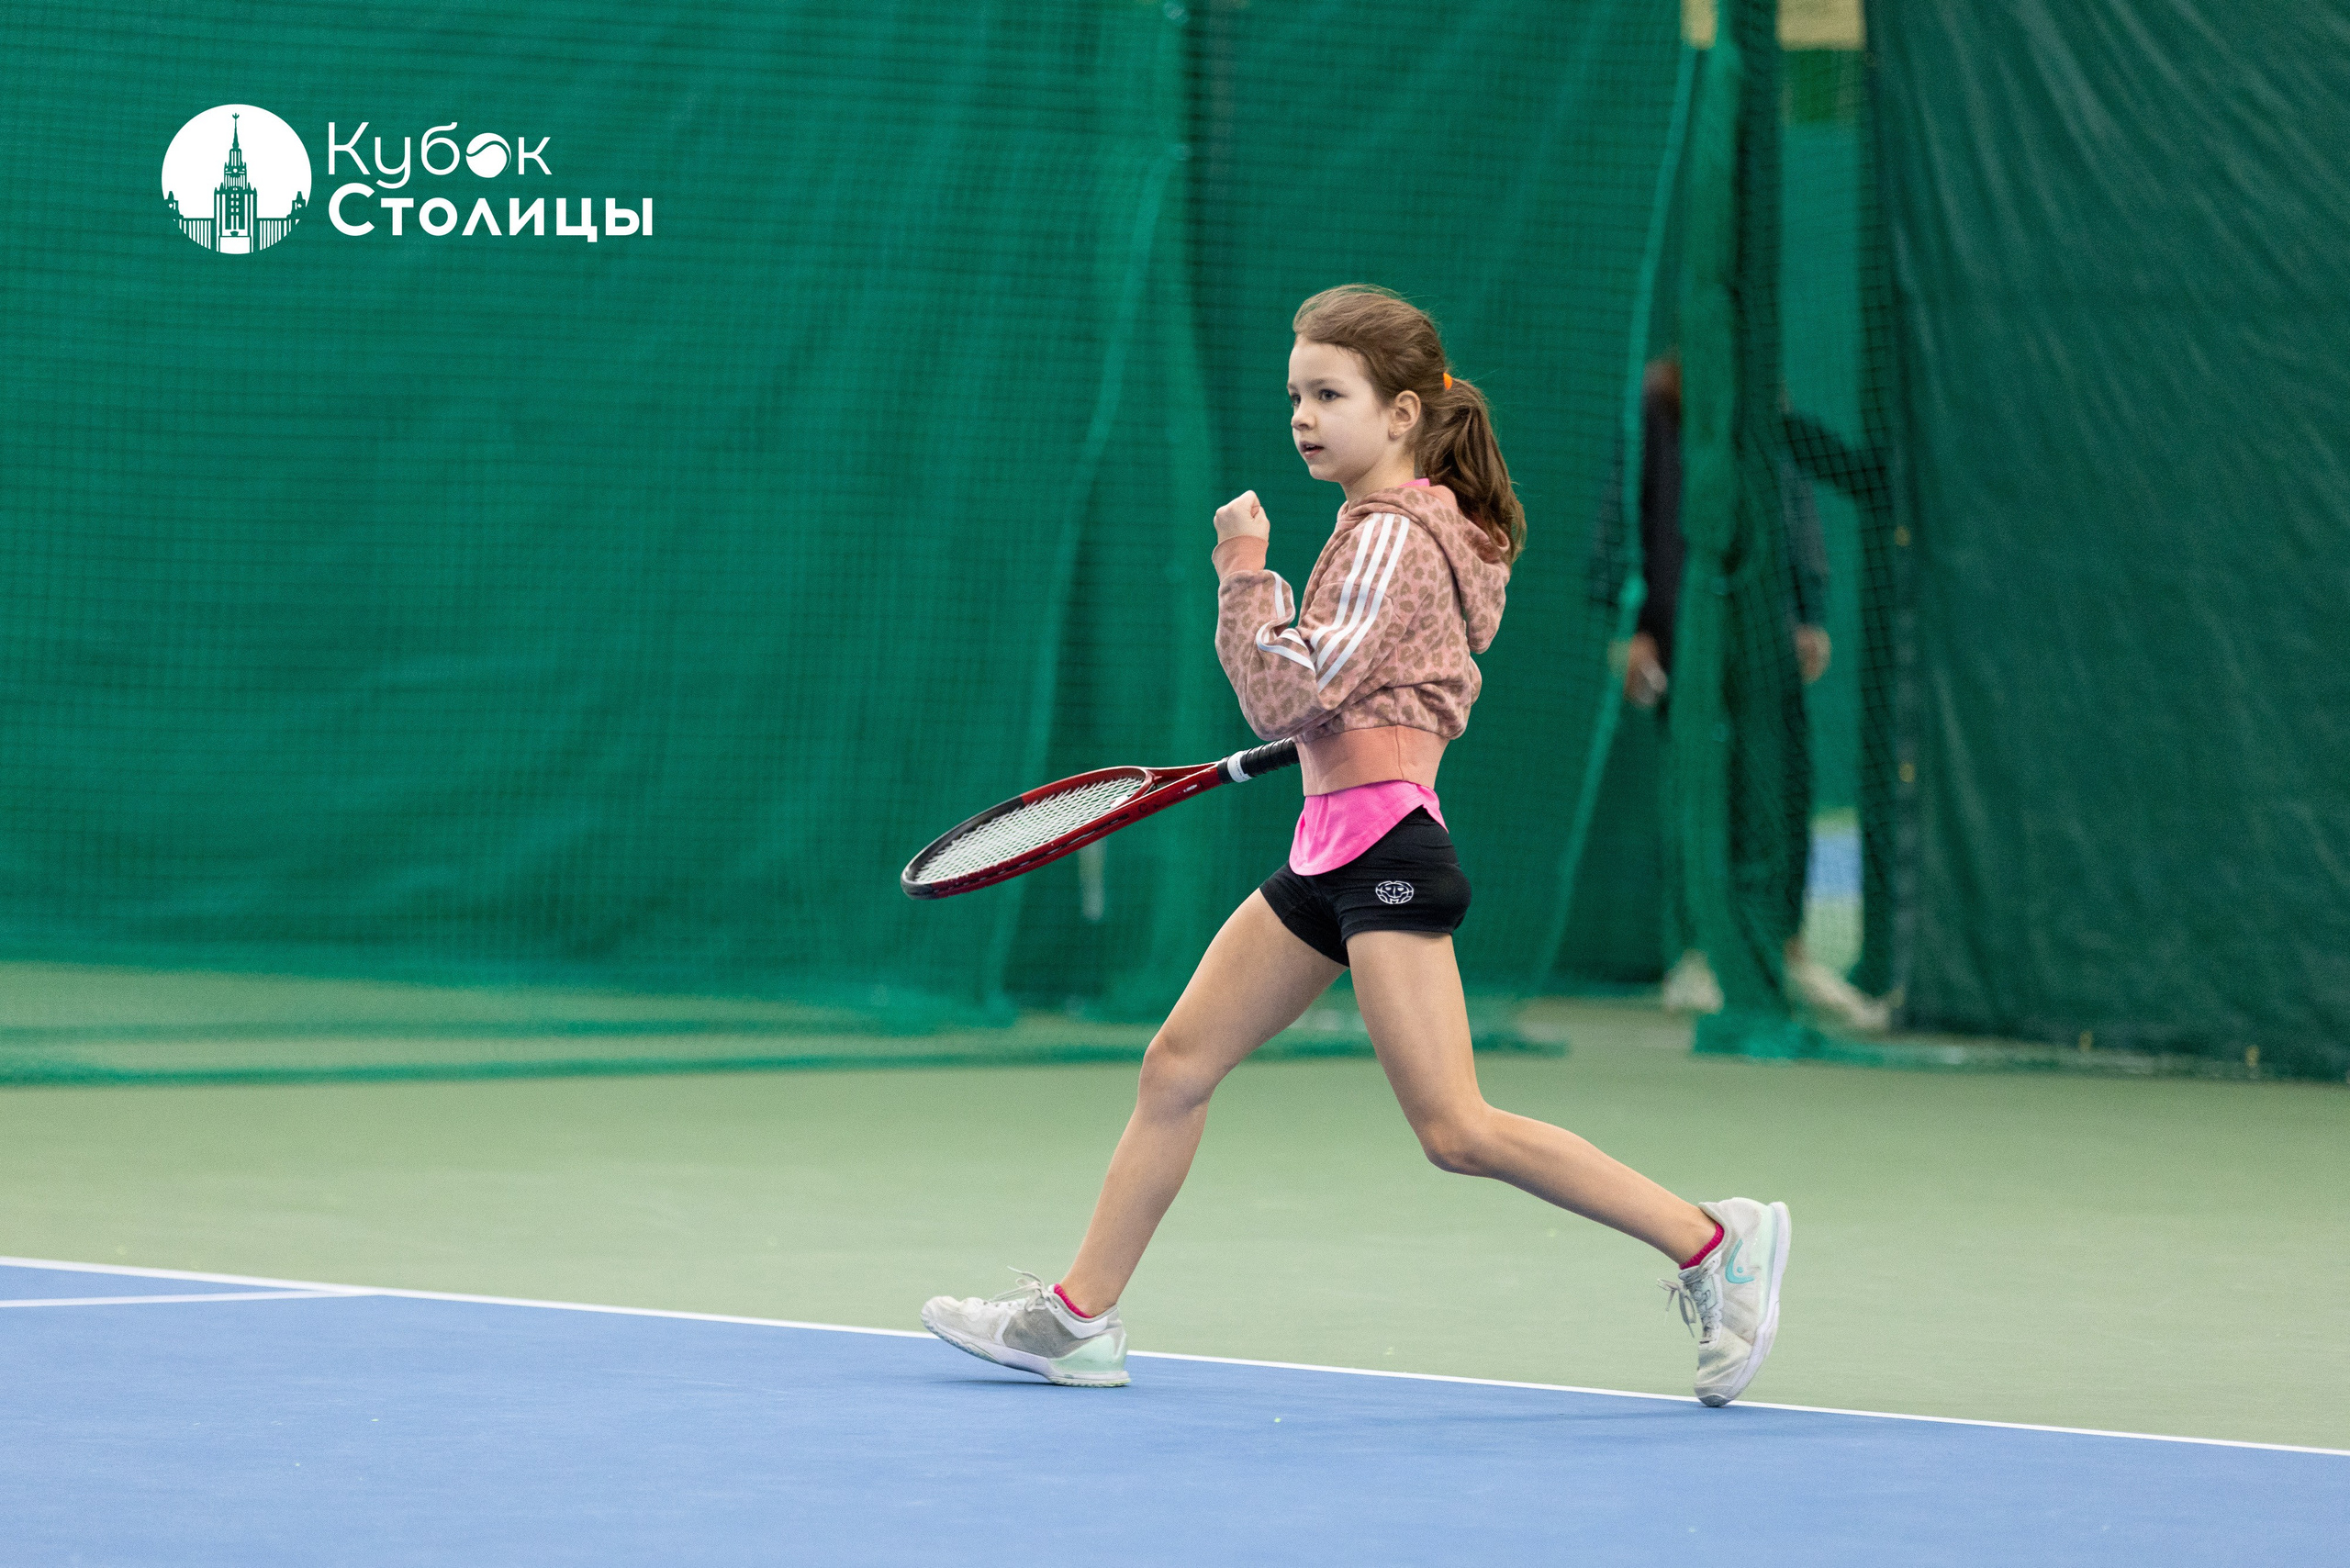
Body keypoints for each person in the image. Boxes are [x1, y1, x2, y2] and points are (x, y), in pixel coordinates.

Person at [923, 286, 1790, 1407]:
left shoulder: (1391, 534)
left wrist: (1243, 572)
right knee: (1177, 1066)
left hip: (1386, 855)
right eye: (1295, 394)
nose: (1303, 415)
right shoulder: (1384, 529)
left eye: (1329, 394)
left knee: (1455, 1128)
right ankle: (1076, 1322)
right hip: (1329, 853)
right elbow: (1342, 692)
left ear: (1404, 413)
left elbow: (1285, 688)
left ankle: (1714, 1242)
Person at [1591, 354, 1886, 1031]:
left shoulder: (1767, 410)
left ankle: (1790, 951)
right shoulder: (1655, 411)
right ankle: (1696, 954)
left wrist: (1808, 607)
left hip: (1767, 636)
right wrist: (1628, 626)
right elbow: (1622, 515)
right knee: (1698, 788)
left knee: (1783, 785)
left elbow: (1795, 501)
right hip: (1681, 637)